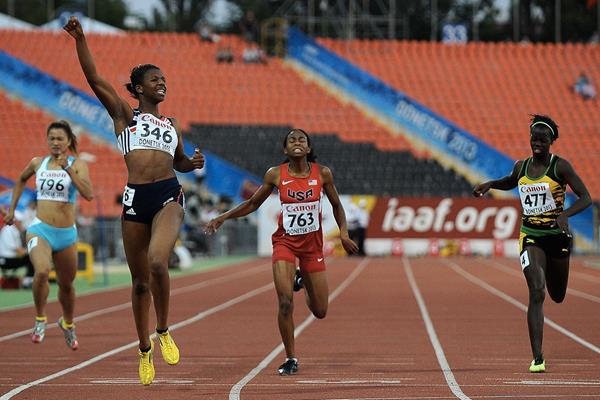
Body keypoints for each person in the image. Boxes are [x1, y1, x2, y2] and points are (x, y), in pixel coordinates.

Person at [64, 16, 205, 385]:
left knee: (159, 262)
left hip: (168, 194)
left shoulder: (172, 125)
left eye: (164, 79)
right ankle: (144, 350)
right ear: (139, 88)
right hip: (135, 199)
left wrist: (193, 163)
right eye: (155, 79)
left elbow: (180, 163)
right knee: (139, 282)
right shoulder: (125, 116)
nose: (163, 83)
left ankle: (163, 330)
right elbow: (95, 80)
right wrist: (81, 40)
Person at [205, 128, 358, 375]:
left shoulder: (323, 174)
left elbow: (337, 206)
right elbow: (253, 203)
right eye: (292, 140)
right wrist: (223, 217)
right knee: (285, 301)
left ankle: (304, 281)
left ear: (308, 149)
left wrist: (343, 233)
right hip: (284, 243)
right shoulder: (276, 174)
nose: (297, 142)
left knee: (320, 311)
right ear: (285, 150)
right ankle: (291, 358)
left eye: (302, 140)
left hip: (311, 247)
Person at [473, 114, 591, 373]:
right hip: (531, 236)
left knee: (557, 295)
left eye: (543, 138)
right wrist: (490, 184)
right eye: (534, 138)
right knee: (537, 291)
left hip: (557, 238)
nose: (537, 142)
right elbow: (509, 181)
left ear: (551, 141)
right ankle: (537, 358)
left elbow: (586, 198)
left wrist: (565, 214)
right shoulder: (521, 166)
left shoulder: (561, 167)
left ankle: (552, 269)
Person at [2, 120, 94, 349]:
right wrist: (12, 210)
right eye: (51, 138)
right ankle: (40, 319)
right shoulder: (38, 163)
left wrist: (68, 170)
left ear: (69, 141)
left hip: (65, 234)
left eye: (60, 138)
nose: (55, 142)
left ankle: (68, 323)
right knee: (41, 272)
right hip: (40, 229)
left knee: (66, 285)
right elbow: (21, 179)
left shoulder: (78, 164)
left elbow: (89, 194)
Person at [0, 210, 34, 288]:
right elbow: (18, 251)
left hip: (10, 259)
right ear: (15, 221)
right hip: (6, 260)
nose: (21, 223)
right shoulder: (8, 230)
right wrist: (30, 251)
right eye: (20, 221)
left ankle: (28, 280)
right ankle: (27, 281)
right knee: (31, 257)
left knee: (31, 256)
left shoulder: (14, 230)